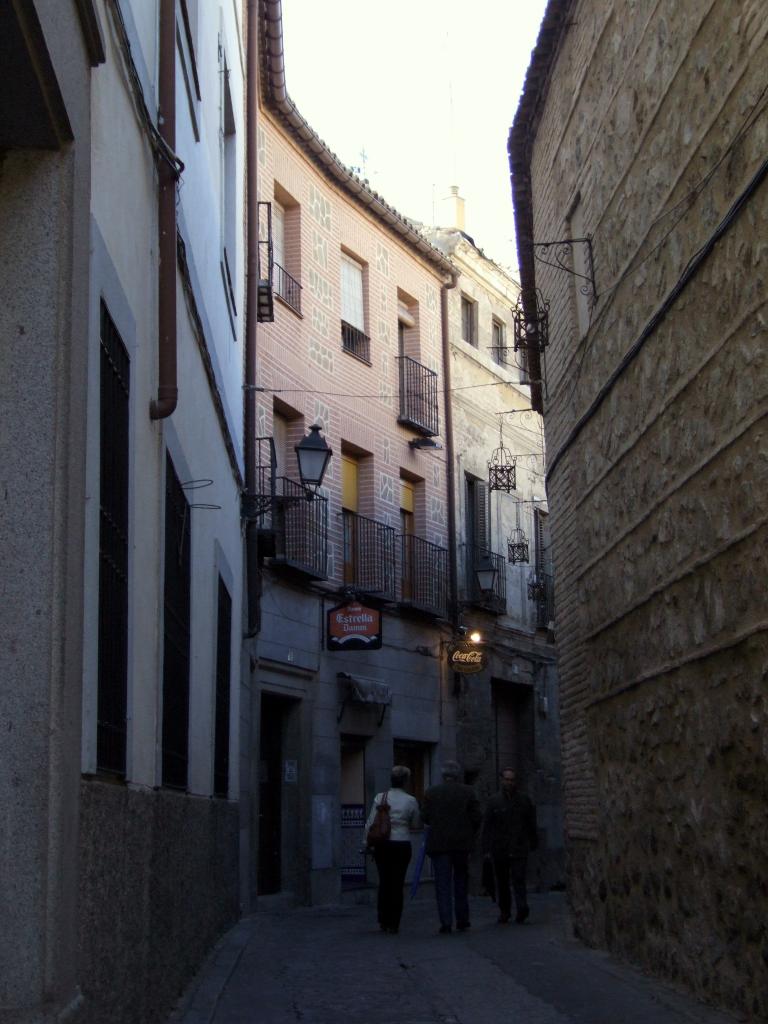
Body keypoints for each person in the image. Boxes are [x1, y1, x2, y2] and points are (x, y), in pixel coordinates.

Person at [421, 760, 481, 934]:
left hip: (439, 844)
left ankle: (446, 922)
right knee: (461, 882)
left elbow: (424, 817)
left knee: (442, 884)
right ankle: (462, 920)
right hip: (461, 844)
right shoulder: (468, 792)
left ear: (443, 775)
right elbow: (477, 817)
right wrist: (469, 833)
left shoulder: (431, 792)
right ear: (457, 775)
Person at [365, 765, 421, 934]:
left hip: (383, 844)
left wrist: (366, 843)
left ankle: (383, 919)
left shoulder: (380, 797)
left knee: (384, 881)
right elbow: (416, 823)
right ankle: (394, 922)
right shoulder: (410, 800)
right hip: (401, 844)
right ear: (405, 781)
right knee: (397, 883)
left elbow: (371, 822)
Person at [482, 767, 538, 924]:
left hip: (519, 846)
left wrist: (533, 841)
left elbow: (531, 822)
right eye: (507, 779)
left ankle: (521, 908)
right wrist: (486, 848)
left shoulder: (524, 800)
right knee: (502, 881)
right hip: (500, 848)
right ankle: (505, 911)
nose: (509, 782)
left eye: (512, 780)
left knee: (519, 878)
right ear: (502, 780)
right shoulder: (494, 801)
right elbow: (487, 826)